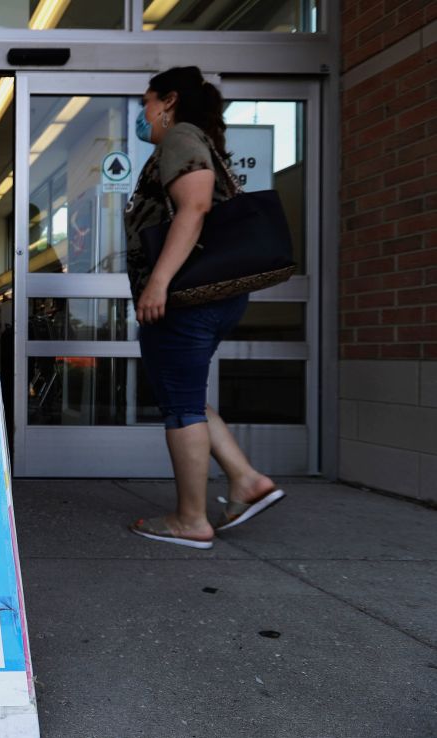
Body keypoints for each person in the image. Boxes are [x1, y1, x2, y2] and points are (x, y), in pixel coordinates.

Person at [124, 66, 284, 549]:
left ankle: (190, 520)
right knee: (186, 395)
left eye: (146, 101)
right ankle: (246, 480)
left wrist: (158, 283)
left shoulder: (181, 138)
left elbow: (194, 207)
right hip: (213, 298)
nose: (143, 112)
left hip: (187, 299)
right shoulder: (200, 140)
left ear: (168, 101)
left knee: (181, 406)